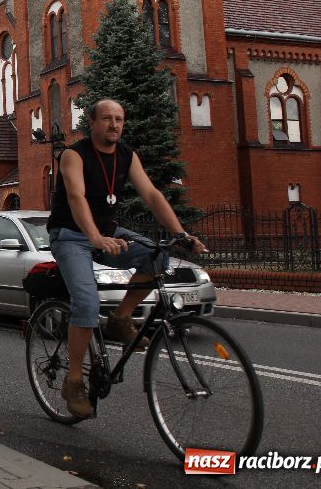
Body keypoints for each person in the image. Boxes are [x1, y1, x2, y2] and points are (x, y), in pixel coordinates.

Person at [47, 98, 206, 418]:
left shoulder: (126, 155)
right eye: (107, 119)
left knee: (156, 259)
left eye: (119, 119)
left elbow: (151, 194)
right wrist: (94, 237)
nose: (114, 125)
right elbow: (76, 197)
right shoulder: (73, 156)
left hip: (108, 234)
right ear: (91, 123)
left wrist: (181, 233)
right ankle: (74, 380)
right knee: (87, 304)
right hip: (70, 237)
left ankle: (121, 319)